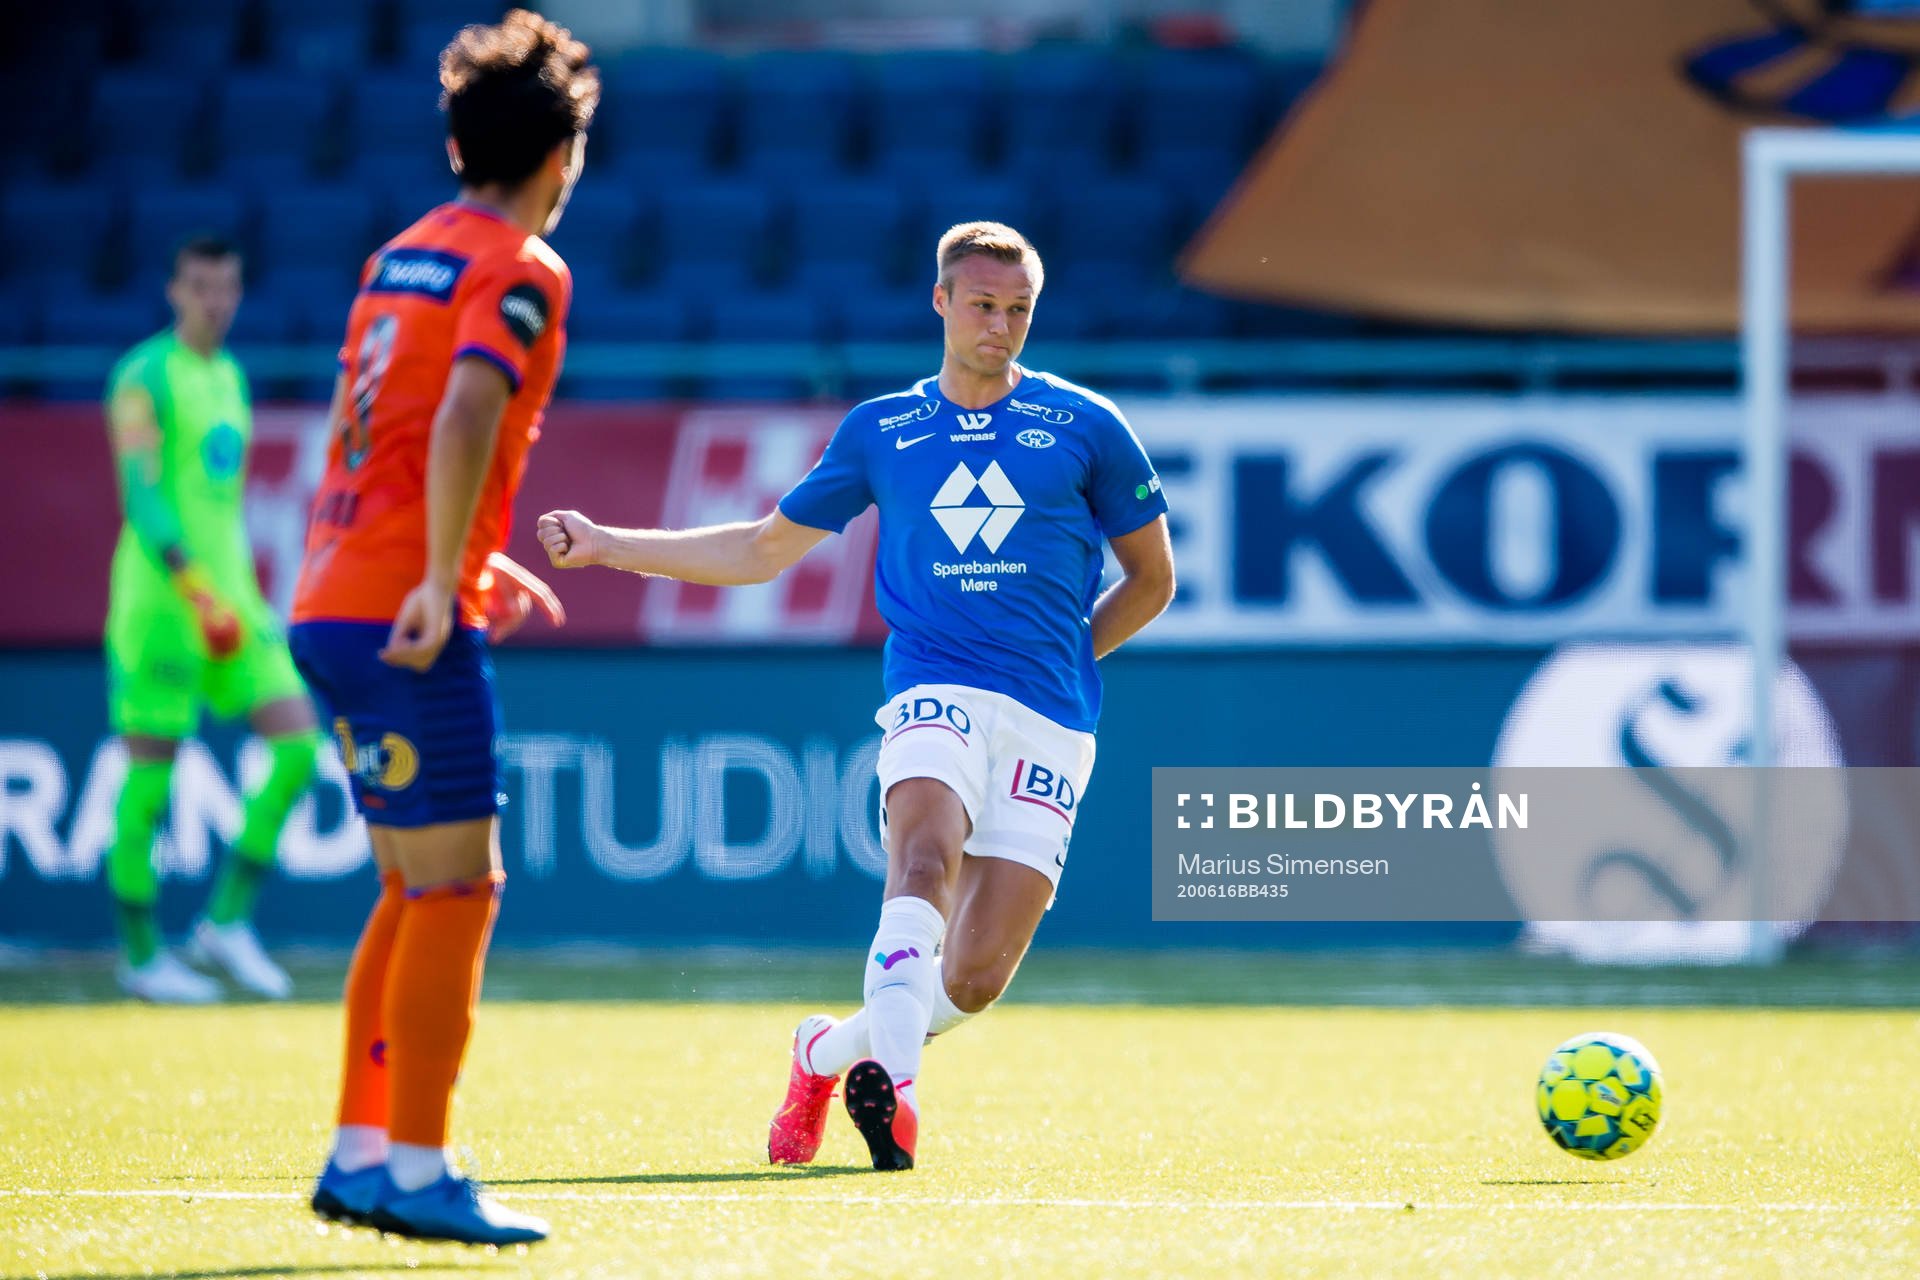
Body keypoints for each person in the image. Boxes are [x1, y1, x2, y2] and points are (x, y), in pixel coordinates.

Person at [537, 221, 1176, 1171]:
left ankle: (824, 1055)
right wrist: (605, 544)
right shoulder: (882, 430)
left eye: (1018, 310)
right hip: (934, 686)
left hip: (1051, 717)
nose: (1000, 326)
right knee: (921, 861)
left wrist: (1067, 657)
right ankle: (900, 1100)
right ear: (941, 302)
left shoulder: (1088, 425)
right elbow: (762, 549)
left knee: (975, 977)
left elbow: (1153, 580)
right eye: (982, 305)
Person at [292, 9, 592, 1245]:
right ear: (561, 155)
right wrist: (436, 578)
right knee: (459, 886)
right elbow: (466, 410)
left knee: (412, 885)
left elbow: (381, 428)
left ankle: (362, 1154)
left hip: (333, 595)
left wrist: (465, 559)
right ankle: (417, 1168)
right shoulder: (522, 267)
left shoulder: (400, 253)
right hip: (401, 607)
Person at [103, 235, 323, 1005]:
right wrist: (196, 589)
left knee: (298, 746)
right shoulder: (141, 376)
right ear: (174, 290)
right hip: (165, 606)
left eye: (226, 287)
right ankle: (141, 956)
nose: (214, 300)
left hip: (235, 605)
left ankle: (225, 922)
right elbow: (143, 496)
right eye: (200, 286)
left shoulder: (230, 377)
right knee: (150, 782)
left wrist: (233, 596)